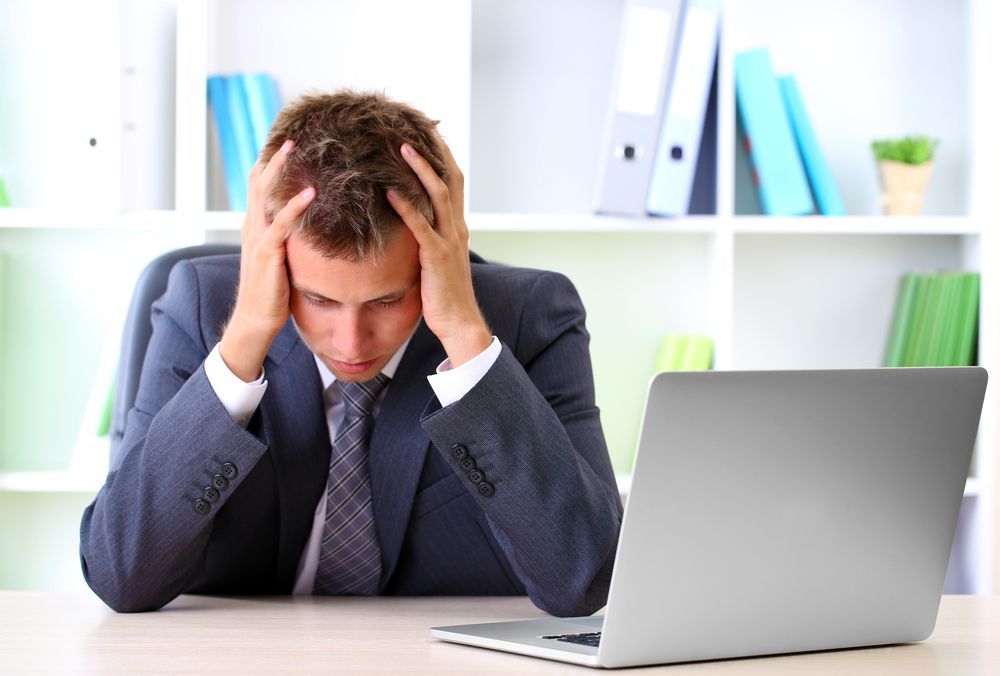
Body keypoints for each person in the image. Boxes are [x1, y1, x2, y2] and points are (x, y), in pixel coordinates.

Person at [80, 90, 622, 615]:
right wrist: (244, 338)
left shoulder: (532, 318)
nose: (351, 343)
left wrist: (465, 340)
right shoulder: (200, 305)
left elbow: (584, 581)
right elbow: (119, 575)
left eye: (388, 299)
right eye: (319, 299)